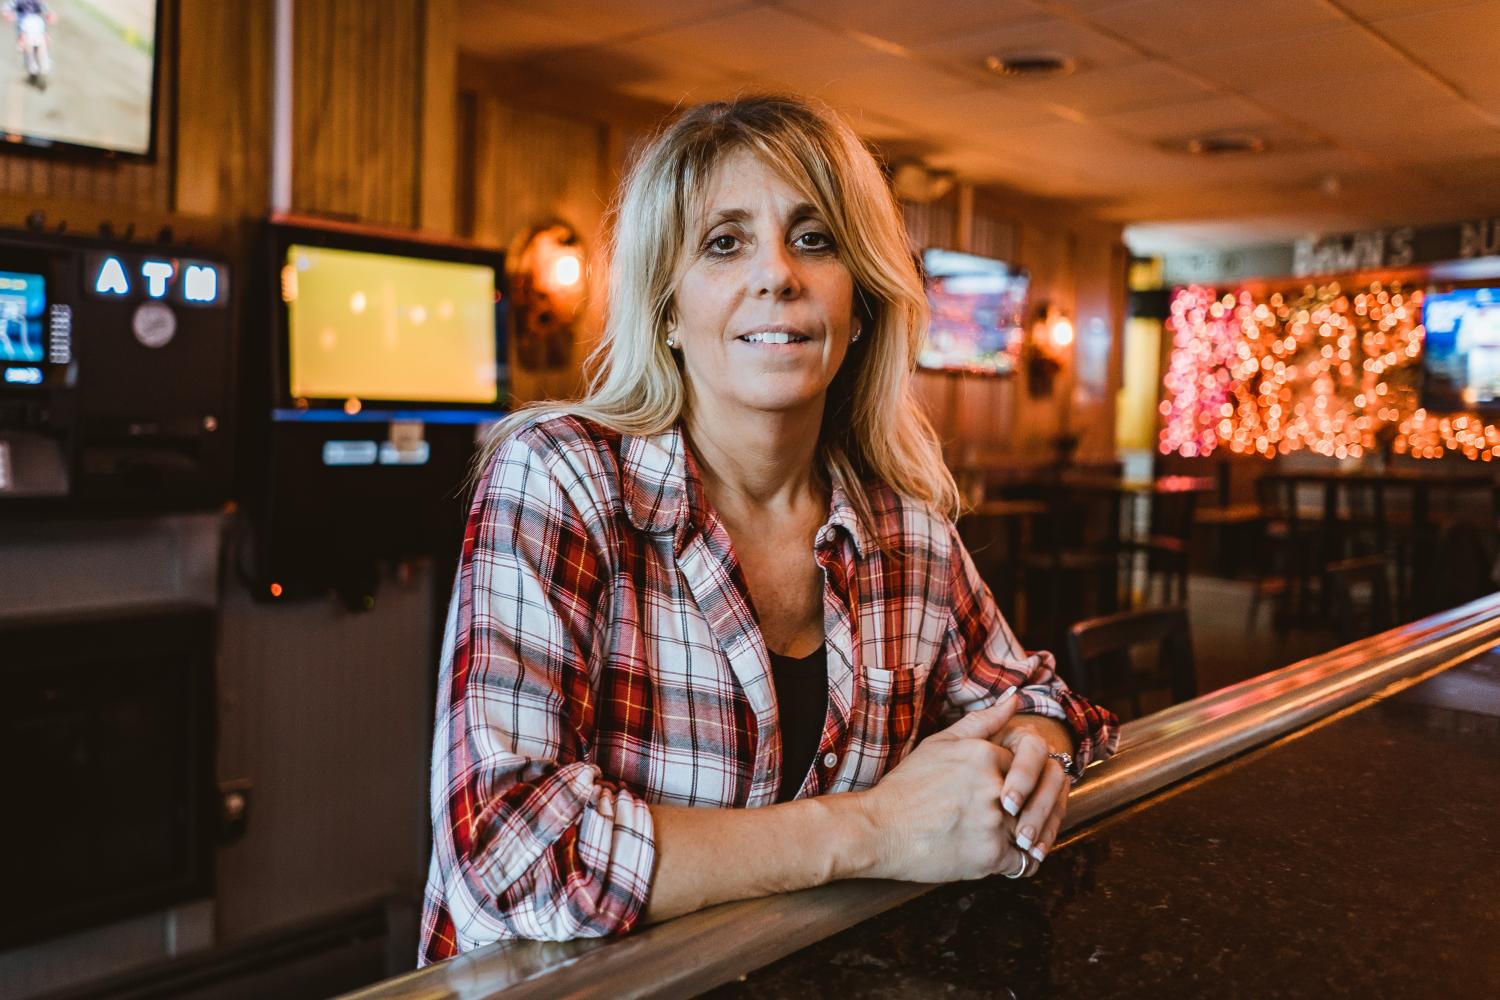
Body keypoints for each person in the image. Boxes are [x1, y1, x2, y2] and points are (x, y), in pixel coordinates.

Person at [419, 94, 1119, 963]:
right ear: (668, 308)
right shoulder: (560, 478)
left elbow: (1043, 698)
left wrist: (1025, 755)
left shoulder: (905, 529)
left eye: (814, 238)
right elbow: (508, 847)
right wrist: (874, 829)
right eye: (725, 242)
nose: (778, 273)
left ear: (858, 304)